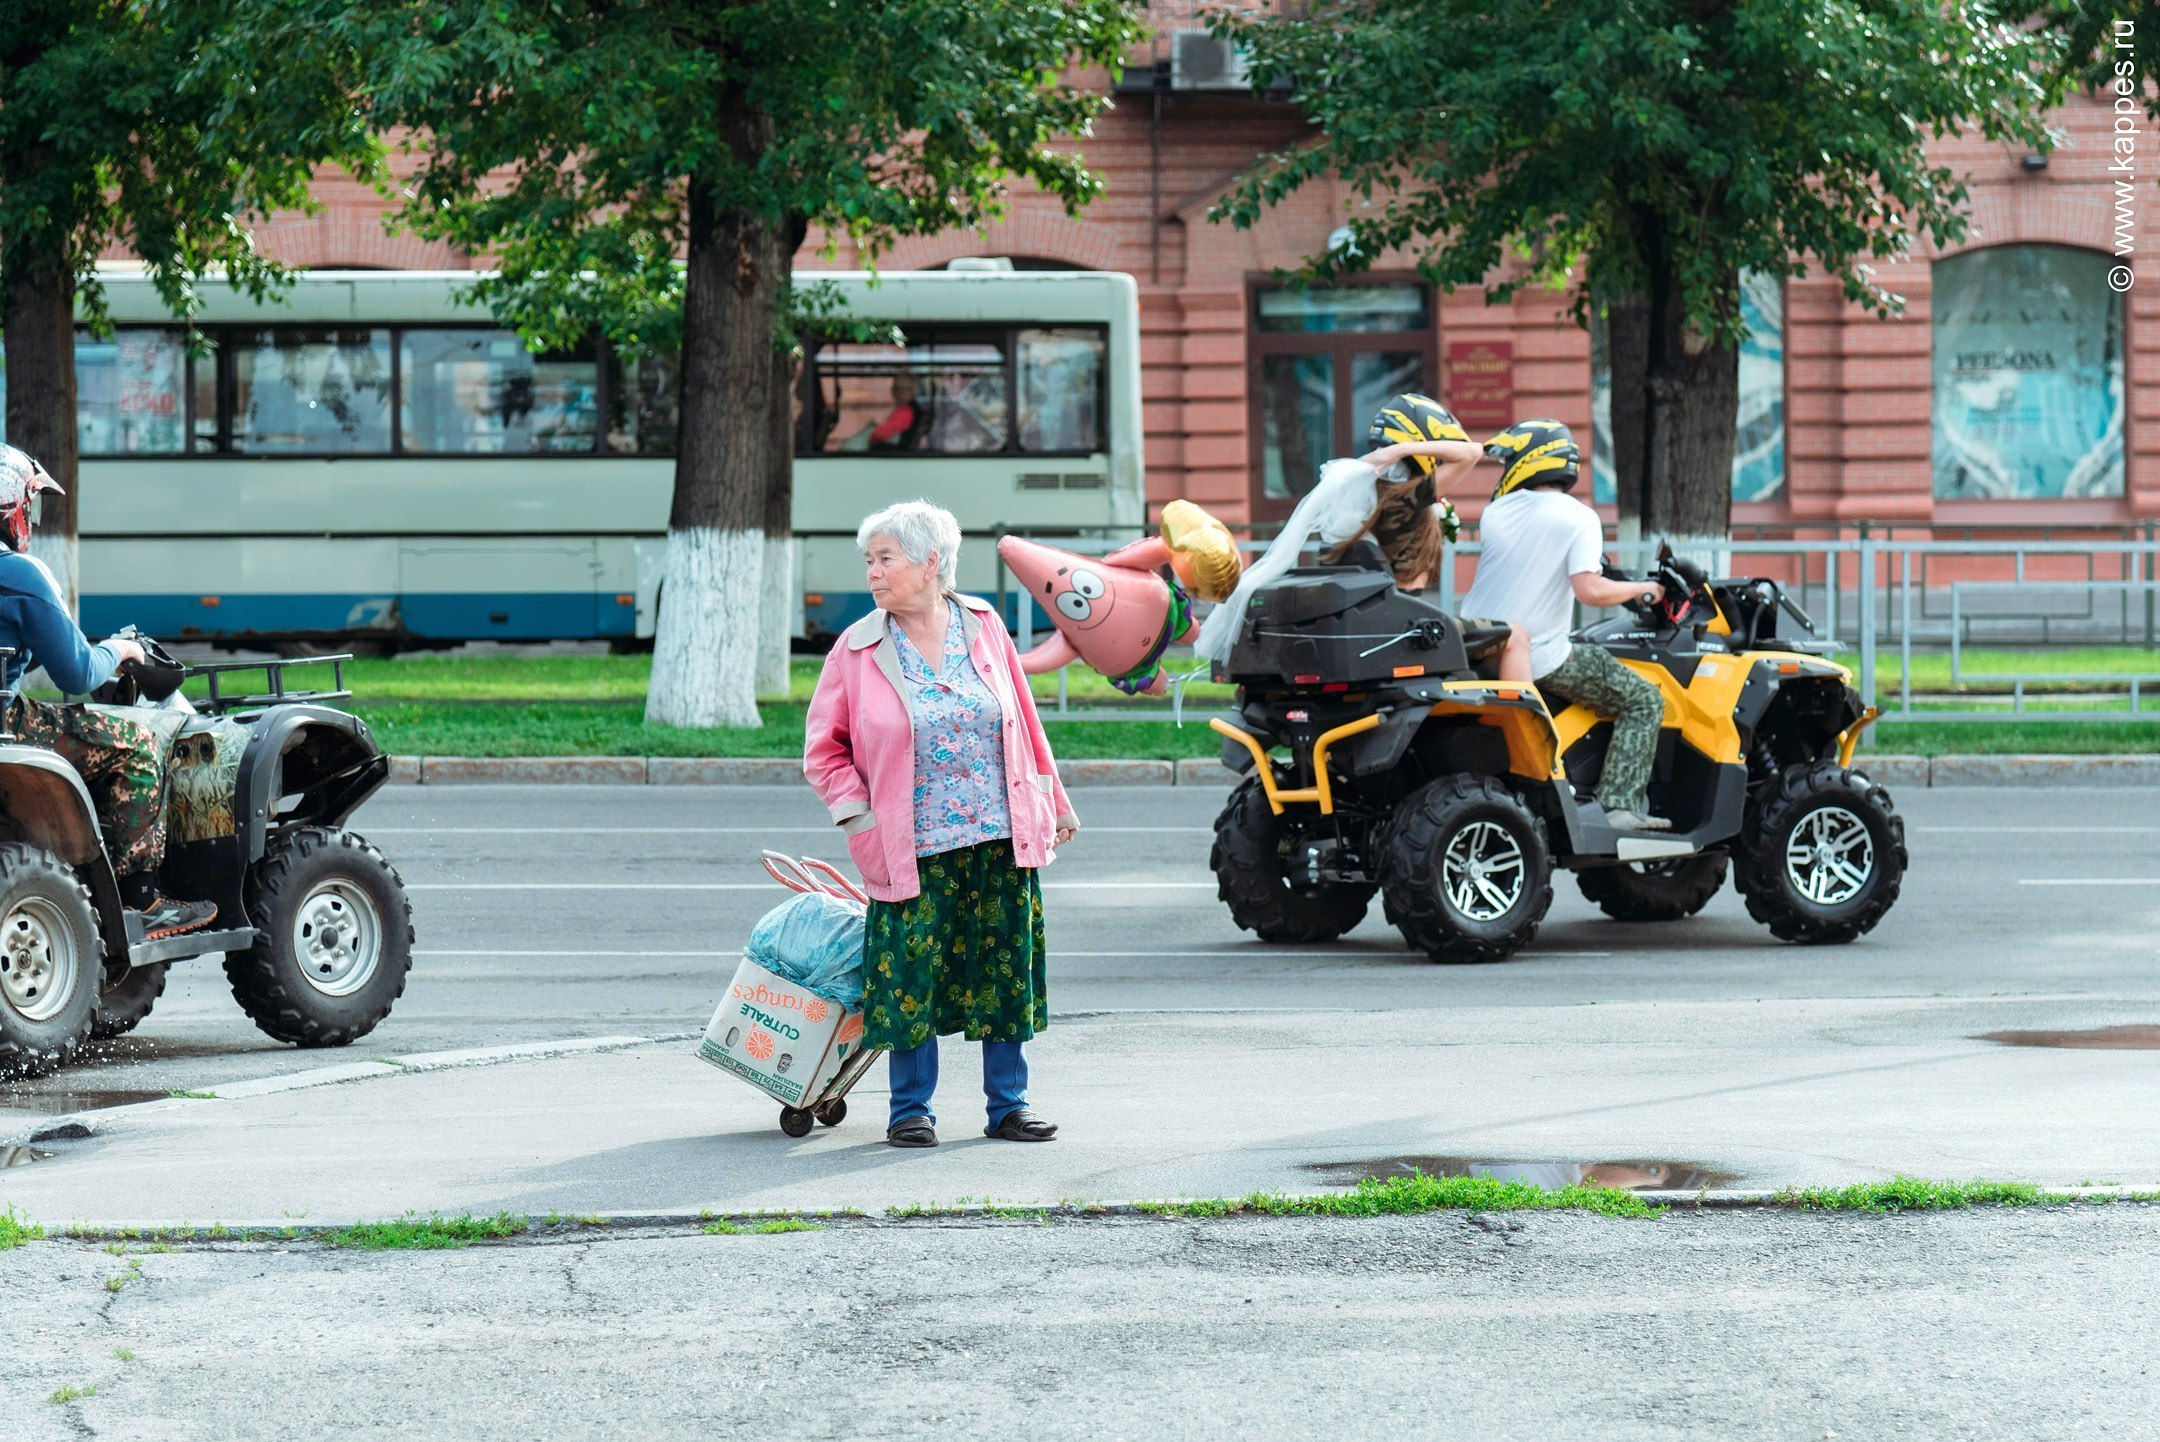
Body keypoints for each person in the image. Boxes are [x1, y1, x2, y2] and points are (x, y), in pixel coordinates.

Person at [803, 499, 1078, 1148]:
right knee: (909, 976)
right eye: (869, 560)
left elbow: (1023, 721)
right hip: (910, 843)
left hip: (999, 835)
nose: (873, 572)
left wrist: (1055, 803)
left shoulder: (982, 625)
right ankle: (910, 1110)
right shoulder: (857, 648)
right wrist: (859, 818)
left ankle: (1009, 1106)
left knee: (1002, 969)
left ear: (931, 563)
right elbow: (823, 752)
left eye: (885, 558)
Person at [0, 446, 218, 939]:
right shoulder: (19, 575)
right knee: (137, 745)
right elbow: (78, 675)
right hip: (5, 724)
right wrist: (121, 650)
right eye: (30, 505)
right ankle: (142, 900)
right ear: (10, 508)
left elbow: (25, 654)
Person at [1196, 392, 1532, 682]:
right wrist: (1402, 450)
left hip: (1364, 630)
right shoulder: (1402, 498)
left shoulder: (1354, 504)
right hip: (1406, 628)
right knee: (1517, 636)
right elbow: (1471, 452)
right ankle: (1531, 732)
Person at [1461, 419, 1672, 832]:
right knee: (1644, 700)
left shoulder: (1495, 512)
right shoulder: (1580, 518)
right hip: (1537, 656)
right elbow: (1590, 590)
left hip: (1479, 644)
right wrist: (1644, 589)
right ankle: (1619, 806)